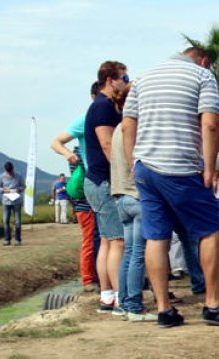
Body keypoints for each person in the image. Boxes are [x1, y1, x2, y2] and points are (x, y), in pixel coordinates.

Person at [122, 47, 219, 328]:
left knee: (156, 237)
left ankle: (164, 310)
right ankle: (214, 305)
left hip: (146, 166)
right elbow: (211, 123)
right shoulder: (202, 76)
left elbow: (128, 123)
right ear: (203, 60)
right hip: (181, 165)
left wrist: (133, 161)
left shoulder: (143, 78)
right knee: (211, 231)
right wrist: (209, 166)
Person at [84, 60, 130, 314]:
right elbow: (107, 144)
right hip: (104, 181)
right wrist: (125, 171)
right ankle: (121, 298)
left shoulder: (100, 106)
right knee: (117, 241)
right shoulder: (102, 108)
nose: (125, 82)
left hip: (97, 181)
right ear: (111, 80)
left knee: (107, 240)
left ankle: (107, 295)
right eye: (124, 78)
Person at [51, 82, 101, 291]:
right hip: (87, 198)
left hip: (93, 193)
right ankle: (89, 279)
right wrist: (68, 154)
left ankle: (97, 276)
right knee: (91, 238)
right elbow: (55, 142)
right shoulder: (85, 122)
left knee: (101, 238)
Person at [110, 117, 156, 321]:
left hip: (120, 196)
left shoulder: (118, 128)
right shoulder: (135, 128)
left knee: (128, 253)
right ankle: (134, 306)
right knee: (138, 253)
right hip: (136, 197)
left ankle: (125, 303)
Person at [0, 161, 25, 245]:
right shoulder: (1, 177)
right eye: (8, 172)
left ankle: (17, 240)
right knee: (5, 221)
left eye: (11, 171)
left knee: (17, 221)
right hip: (6, 201)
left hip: (16, 200)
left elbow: (23, 186)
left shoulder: (19, 176)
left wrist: (18, 190)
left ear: (13, 169)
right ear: (5, 170)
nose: (10, 173)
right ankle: (7, 239)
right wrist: (5, 190)